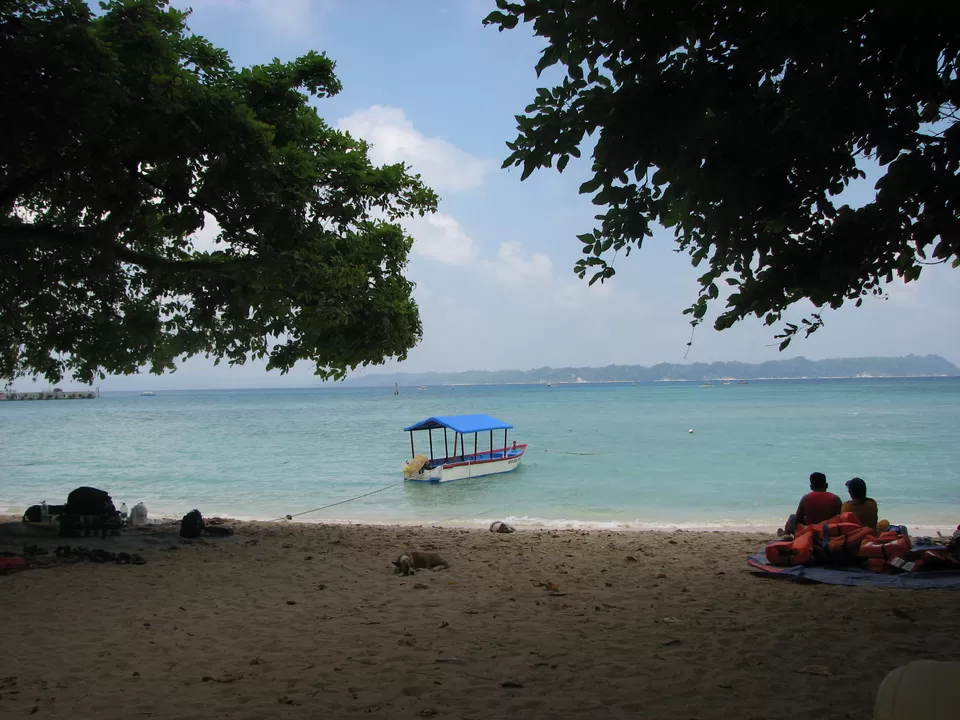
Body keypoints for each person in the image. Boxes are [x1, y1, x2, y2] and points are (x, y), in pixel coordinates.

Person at [779, 472, 843, 536]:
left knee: (792, 517)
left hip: (811, 532)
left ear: (811, 487)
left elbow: (798, 519)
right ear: (826, 485)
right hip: (829, 531)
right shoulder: (835, 498)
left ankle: (785, 534)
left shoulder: (806, 498)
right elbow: (839, 517)